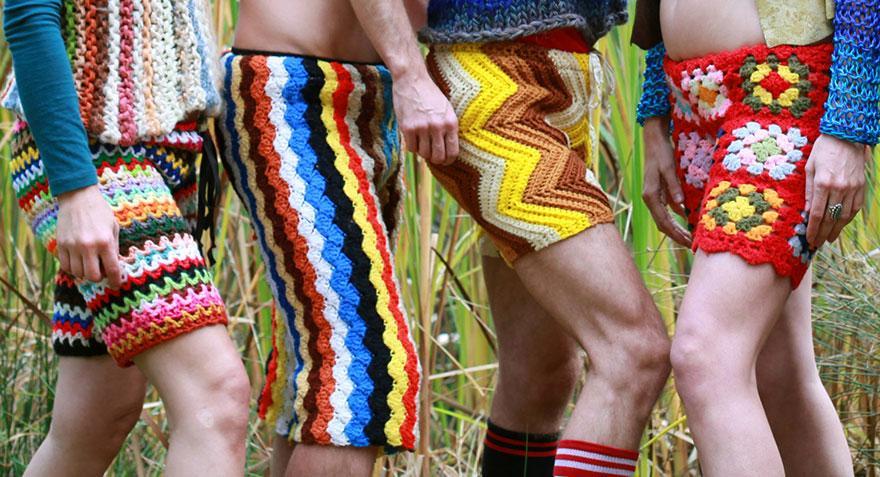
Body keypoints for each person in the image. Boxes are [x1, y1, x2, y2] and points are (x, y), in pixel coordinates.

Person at [417, 2, 673, 476]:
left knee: (542, 375)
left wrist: (657, 113)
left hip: (574, 81)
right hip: (489, 82)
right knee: (634, 351)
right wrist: (405, 72)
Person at [2, 0, 251, 476]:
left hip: (169, 156)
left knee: (98, 416)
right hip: (93, 162)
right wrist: (75, 190)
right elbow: (29, 14)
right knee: (216, 396)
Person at [634, 0, 879, 475]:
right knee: (779, 375)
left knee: (705, 356)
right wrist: (655, 111)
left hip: (782, 94)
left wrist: (850, 127)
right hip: (692, 104)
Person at [216, 1, 455, 475]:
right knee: (362, 368)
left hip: (371, 98)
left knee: (318, 375)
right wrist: (411, 74)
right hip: (293, 89)